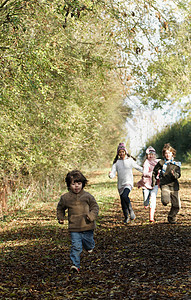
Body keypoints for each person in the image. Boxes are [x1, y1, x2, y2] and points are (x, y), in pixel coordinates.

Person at [57, 170, 99, 273]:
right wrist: (61, 217)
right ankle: (75, 265)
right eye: (73, 184)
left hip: (87, 226)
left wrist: (91, 216)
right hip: (74, 227)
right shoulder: (65, 198)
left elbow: (95, 207)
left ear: (83, 184)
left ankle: (90, 246)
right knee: (76, 246)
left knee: (88, 244)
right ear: (69, 185)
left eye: (79, 184)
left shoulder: (87, 196)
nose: (76, 186)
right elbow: (60, 208)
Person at [109, 142, 143, 223]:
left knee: (125, 196)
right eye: (120, 152)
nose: (121, 153)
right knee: (122, 201)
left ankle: (131, 211)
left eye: (123, 152)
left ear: (125, 152)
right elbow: (113, 173)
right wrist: (110, 175)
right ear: (118, 153)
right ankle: (126, 217)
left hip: (128, 183)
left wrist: (146, 171)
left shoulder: (130, 160)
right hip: (120, 184)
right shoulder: (116, 162)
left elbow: (138, 167)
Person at [152, 143, 181, 224]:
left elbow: (178, 175)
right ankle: (164, 200)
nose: (167, 155)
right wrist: (153, 181)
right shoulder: (161, 163)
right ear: (164, 154)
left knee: (177, 206)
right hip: (164, 184)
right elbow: (154, 172)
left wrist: (174, 174)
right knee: (165, 201)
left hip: (174, 186)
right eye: (166, 153)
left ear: (172, 153)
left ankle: (171, 217)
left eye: (169, 153)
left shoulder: (176, 164)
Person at [137, 146, 159, 222]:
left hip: (154, 184)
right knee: (146, 199)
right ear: (147, 155)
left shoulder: (157, 162)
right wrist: (151, 173)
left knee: (153, 199)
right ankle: (146, 203)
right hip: (146, 184)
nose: (151, 155)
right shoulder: (146, 162)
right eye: (149, 154)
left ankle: (151, 217)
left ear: (155, 155)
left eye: (152, 154)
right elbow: (144, 173)